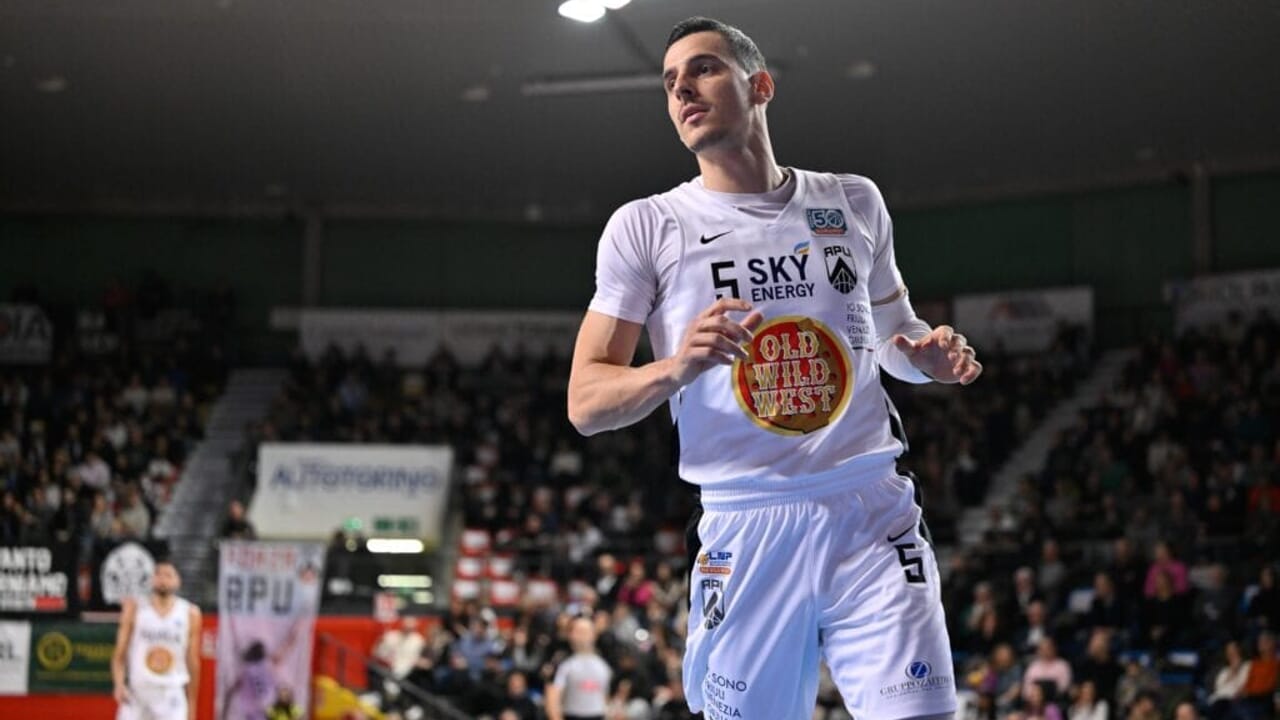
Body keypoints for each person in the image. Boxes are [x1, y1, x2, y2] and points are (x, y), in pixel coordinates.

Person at [567, 16, 981, 720]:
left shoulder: (852, 200)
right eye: (669, 82)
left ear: (760, 85)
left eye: (702, 69)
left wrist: (927, 359)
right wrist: (676, 366)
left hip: (869, 509)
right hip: (747, 523)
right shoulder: (648, 225)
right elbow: (585, 401)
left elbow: (894, 339)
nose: (682, 90)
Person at [111, 559, 202, 720]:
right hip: (138, 690)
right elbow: (119, 653)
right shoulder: (135, 608)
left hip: (171, 690)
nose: (162, 579)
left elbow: (192, 661)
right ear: (151, 578)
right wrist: (119, 684)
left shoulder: (190, 613)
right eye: (158, 574)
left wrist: (192, 703)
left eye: (168, 575)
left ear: (178, 580)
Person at [546, 616, 611, 720]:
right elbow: (552, 699)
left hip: (597, 715)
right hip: (572, 715)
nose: (583, 636)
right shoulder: (562, 662)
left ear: (594, 635)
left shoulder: (604, 662)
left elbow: (606, 696)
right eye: (579, 631)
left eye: (586, 631)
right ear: (570, 634)